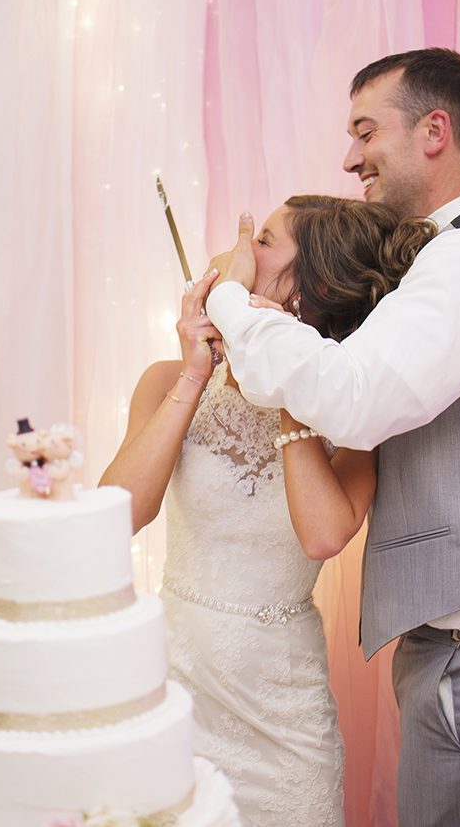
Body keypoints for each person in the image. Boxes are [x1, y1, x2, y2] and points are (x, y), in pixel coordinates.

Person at [206, 48, 460, 826]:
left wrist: (229, 299)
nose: (350, 157)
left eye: (364, 131)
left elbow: (349, 398)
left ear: (434, 130)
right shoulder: (452, 258)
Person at [103, 195, 433, 827]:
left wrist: (282, 378)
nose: (236, 251)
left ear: (306, 289)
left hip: (283, 712)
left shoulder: (356, 414)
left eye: (263, 242)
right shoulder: (165, 378)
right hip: (173, 690)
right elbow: (115, 516)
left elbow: (323, 534)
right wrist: (196, 374)